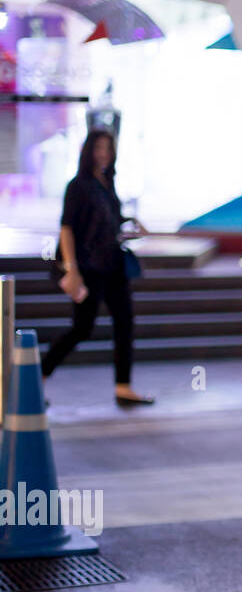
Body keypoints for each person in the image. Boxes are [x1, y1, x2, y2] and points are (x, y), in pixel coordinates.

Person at [41, 129, 153, 406]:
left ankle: (123, 386)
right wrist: (71, 269)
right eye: (99, 148)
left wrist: (130, 222)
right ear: (88, 150)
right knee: (81, 328)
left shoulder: (107, 182)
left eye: (108, 148)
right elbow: (66, 228)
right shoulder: (78, 185)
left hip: (113, 266)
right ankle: (37, 377)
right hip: (89, 267)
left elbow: (108, 221)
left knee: (125, 322)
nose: (104, 153)